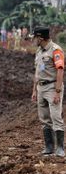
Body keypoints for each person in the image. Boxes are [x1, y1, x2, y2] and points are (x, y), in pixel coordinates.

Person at [31, 26, 65, 157]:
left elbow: (60, 70)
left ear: (40, 38)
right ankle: (49, 147)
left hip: (52, 87)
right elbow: (37, 71)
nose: (33, 40)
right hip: (41, 87)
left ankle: (60, 148)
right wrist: (34, 90)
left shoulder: (55, 50)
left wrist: (57, 91)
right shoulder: (39, 51)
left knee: (56, 117)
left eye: (34, 37)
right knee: (44, 119)